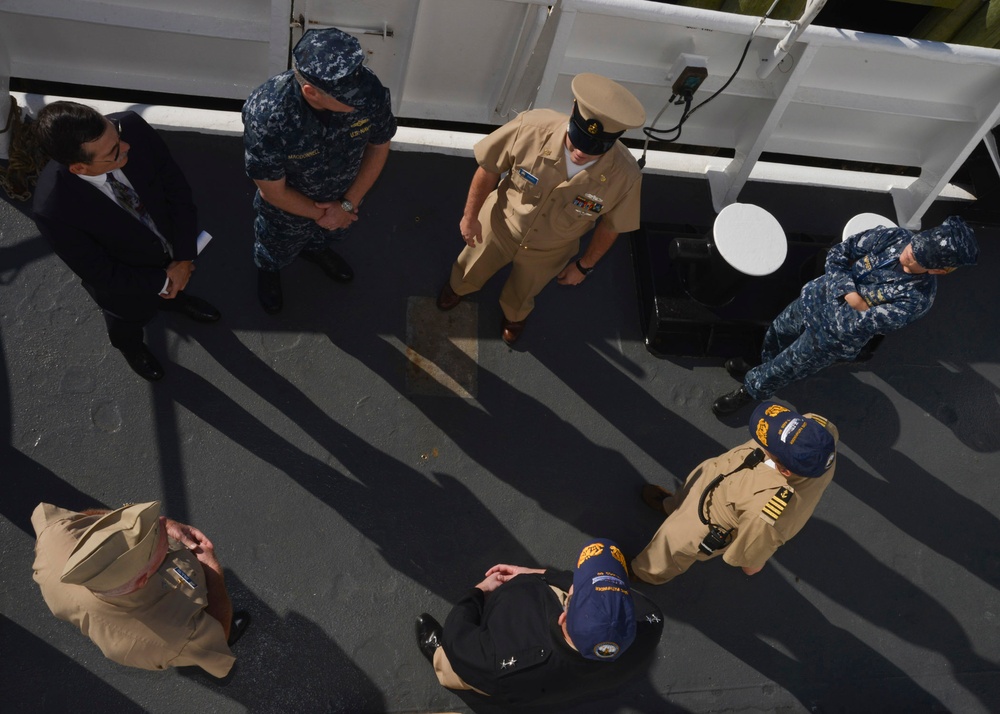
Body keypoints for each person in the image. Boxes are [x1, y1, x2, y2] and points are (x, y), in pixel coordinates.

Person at [436, 73, 646, 344]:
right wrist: (470, 216)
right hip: (499, 224)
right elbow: (489, 168)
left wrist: (584, 266)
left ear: (614, 141)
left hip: (550, 251)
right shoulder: (531, 127)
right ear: (572, 113)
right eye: (577, 138)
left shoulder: (626, 176)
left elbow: (612, 225)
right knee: (469, 266)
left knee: (525, 291)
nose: (581, 152)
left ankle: (514, 315)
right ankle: (458, 288)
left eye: (594, 148)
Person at [712, 216, 979, 416]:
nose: (907, 252)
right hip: (811, 299)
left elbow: (857, 324)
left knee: (787, 367)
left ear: (938, 271)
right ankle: (760, 365)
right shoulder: (896, 237)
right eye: (913, 245)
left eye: (916, 258)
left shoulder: (917, 299)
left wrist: (841, 285)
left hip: (830, 339)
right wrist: (852, 295)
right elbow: (840, 253)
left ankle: (751, 390)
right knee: (777, 333)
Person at [33, 101, 222, 382]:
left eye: (116, 135)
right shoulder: (54, 209)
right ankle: (131, 347)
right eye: (113, 152)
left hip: (171, 251)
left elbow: (177, 190)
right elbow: (101, 273)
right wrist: (163, 281)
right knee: (126, 321)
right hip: (126, 286)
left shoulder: (131, 127)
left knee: (174, 289)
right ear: (79, 168)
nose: (126, 146)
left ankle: (174, 298)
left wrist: (182, 259)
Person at [243, 27, 396, 314]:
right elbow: (272, 190)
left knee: (328, 236)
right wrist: (328, 215)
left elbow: (379, 144)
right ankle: (269, 270)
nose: (360, 99)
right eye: (348, 96)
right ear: (311, 92)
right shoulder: (268, 113)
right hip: (290, 208)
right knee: (276, 245)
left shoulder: (368, 90)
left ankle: (315, 250)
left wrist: (347, 205)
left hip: (347, 196)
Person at [415, 539, 664, 708]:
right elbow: (637, 604)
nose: (572, 583)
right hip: (562, 685)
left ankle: (441, 662)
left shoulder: (502, 659)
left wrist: (477, 593)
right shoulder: (649, 625)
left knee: (455, 666)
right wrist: (539, 574)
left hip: (491, 672)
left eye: (576, 592)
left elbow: (459, 641)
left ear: (564, 618)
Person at [31, 501, 250, 678]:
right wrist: (211, 568)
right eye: (154, 538)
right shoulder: (175, 636)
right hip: (179, 641)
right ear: (142, 579)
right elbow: (220, 632)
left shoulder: (56, 536)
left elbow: (89, 519)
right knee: (209, 639)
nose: (161, 522)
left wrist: (158, 527)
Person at [632, 403, 837, 584]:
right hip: (718, 474)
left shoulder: (767, 514)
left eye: (767, 442)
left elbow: (751, 565)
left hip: (712, 520)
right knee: (693, 486)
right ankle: (673, 505)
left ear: (785, 471)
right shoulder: (819, 427)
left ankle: (644, 574)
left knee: (670, 546)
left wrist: (754, 555)